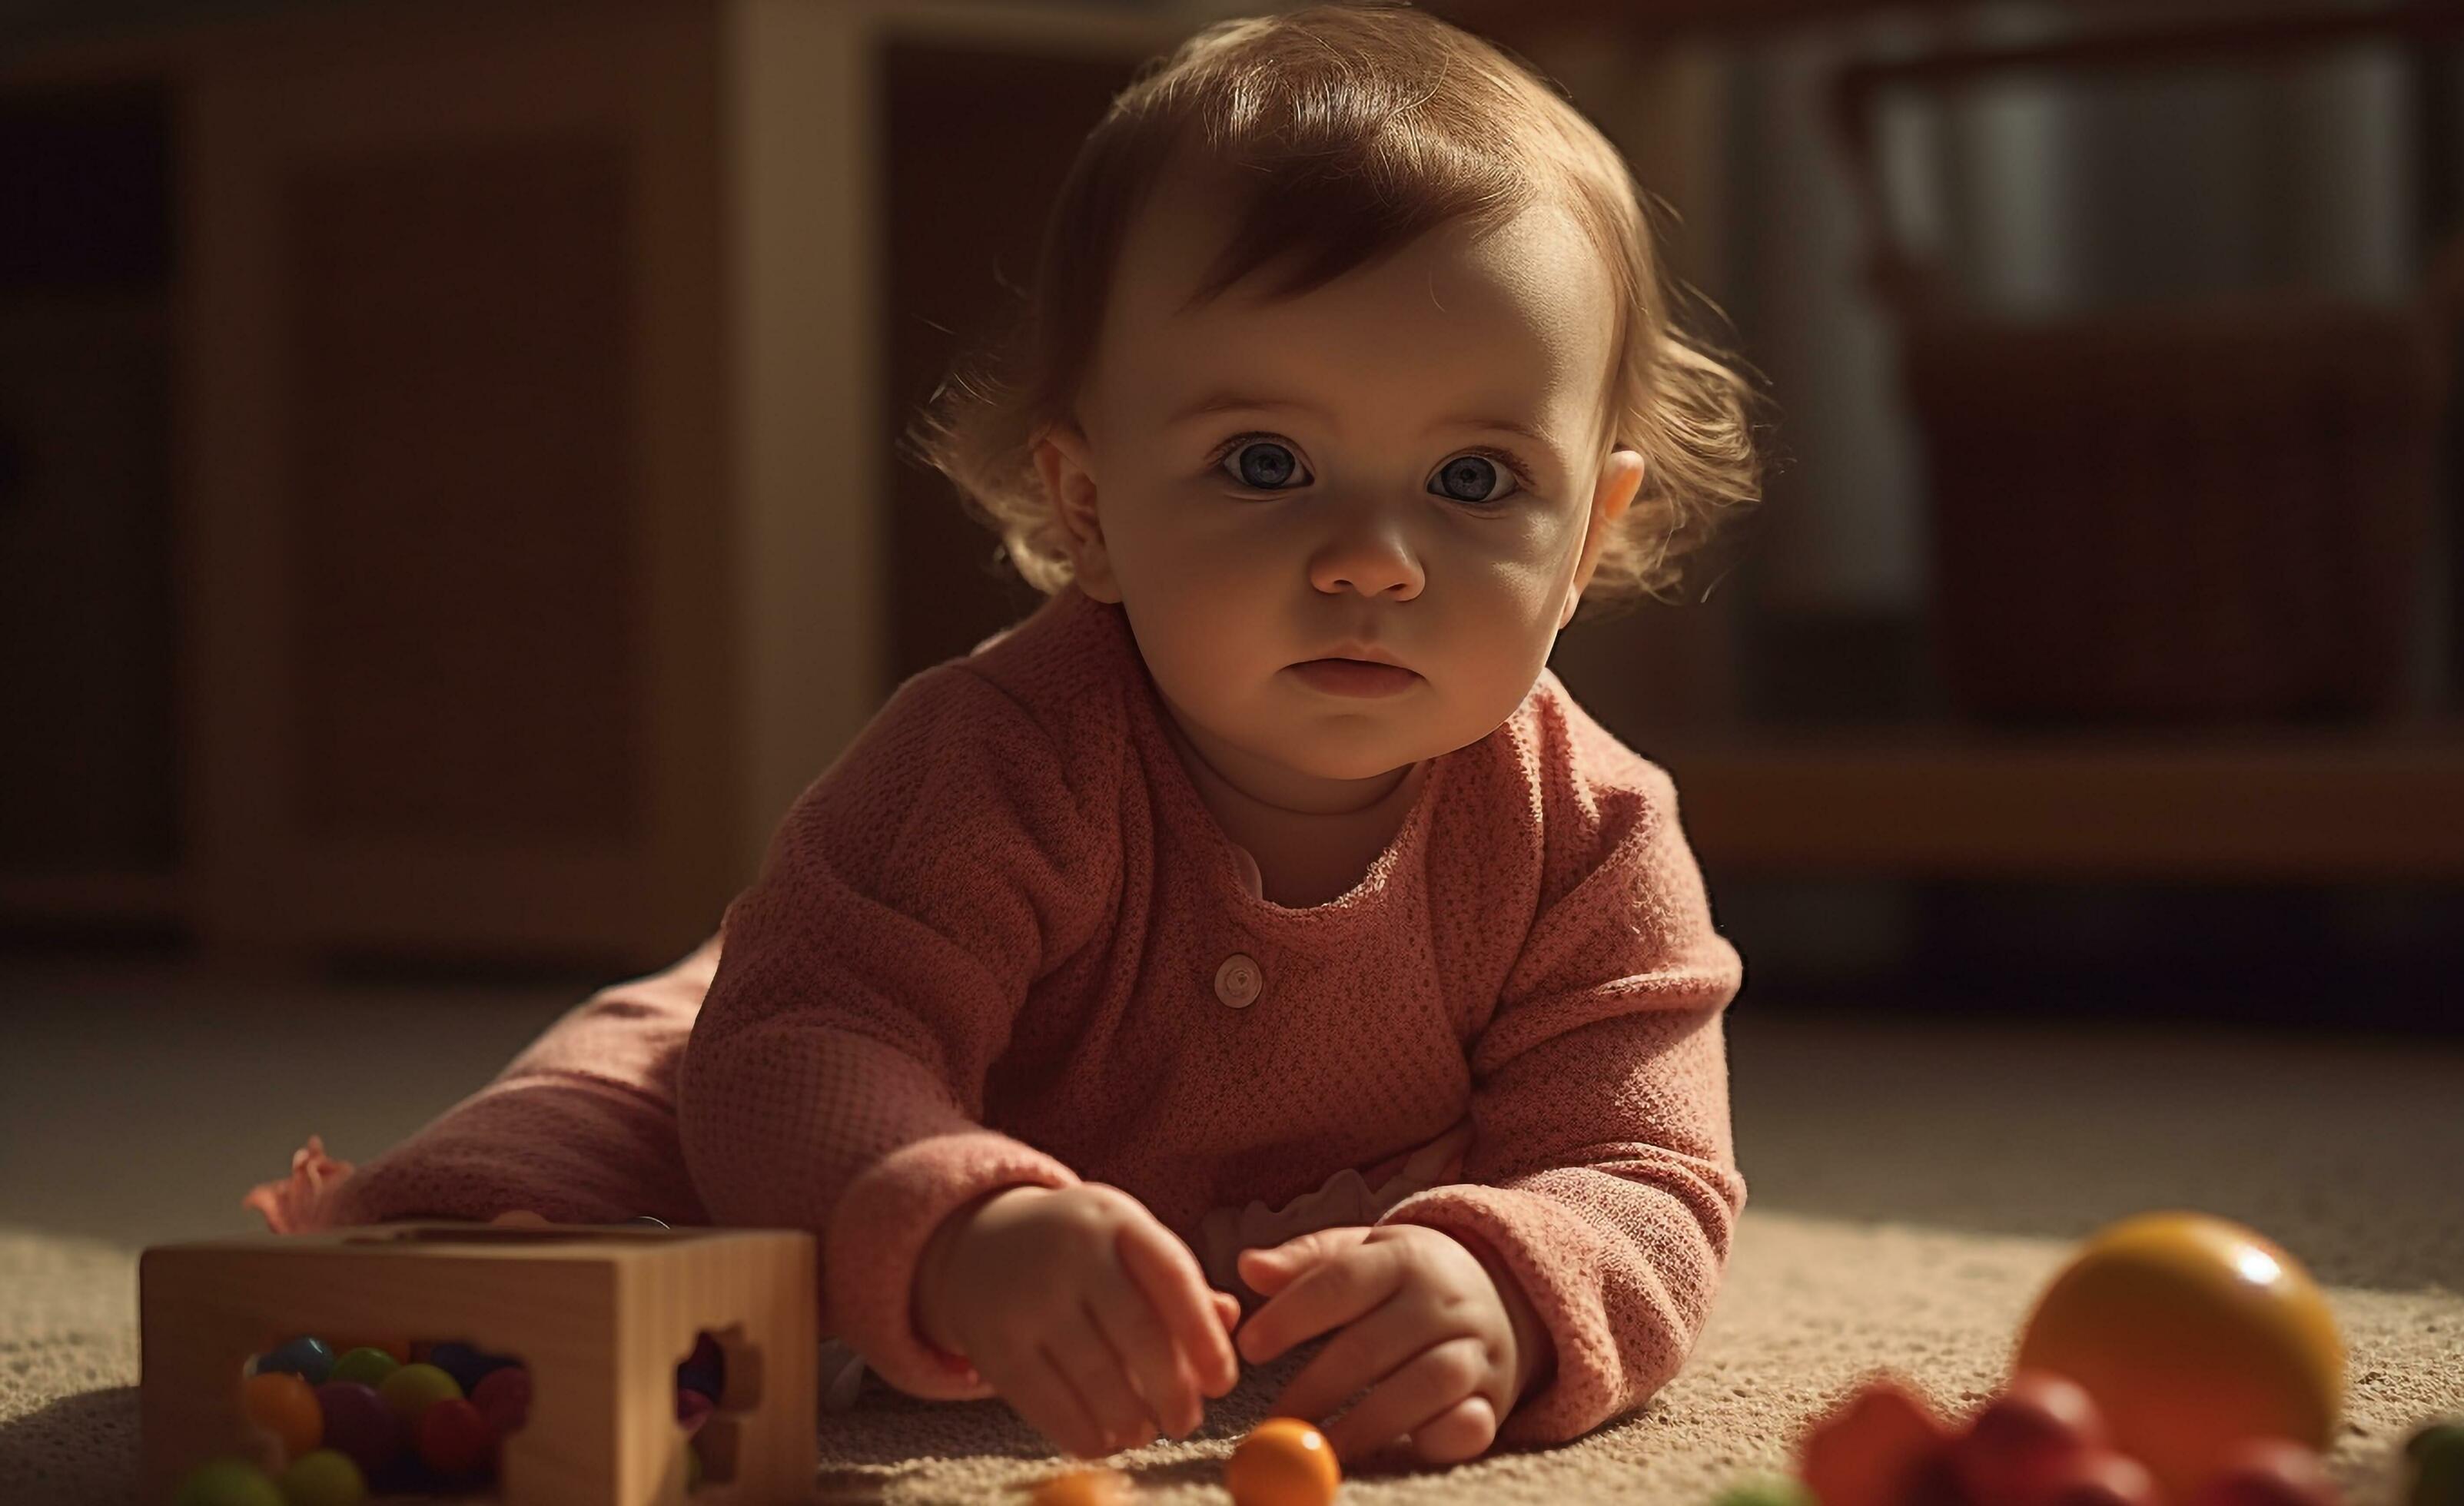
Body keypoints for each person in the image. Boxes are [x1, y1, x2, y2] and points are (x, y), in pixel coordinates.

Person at [247, 0, 1773, 1469]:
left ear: (1586, 536)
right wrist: (961, 1223)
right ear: (1086, 505)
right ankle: (429, 1254)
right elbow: (806, 1042)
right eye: (1264, 460)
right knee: (617, 1126)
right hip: (861, 1075)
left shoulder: (1592, 833)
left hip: (1294, 1210)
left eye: (1472, 481)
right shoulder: (993, 757)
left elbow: (1643, 1166)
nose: (1372, 556)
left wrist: (1514, 1284)